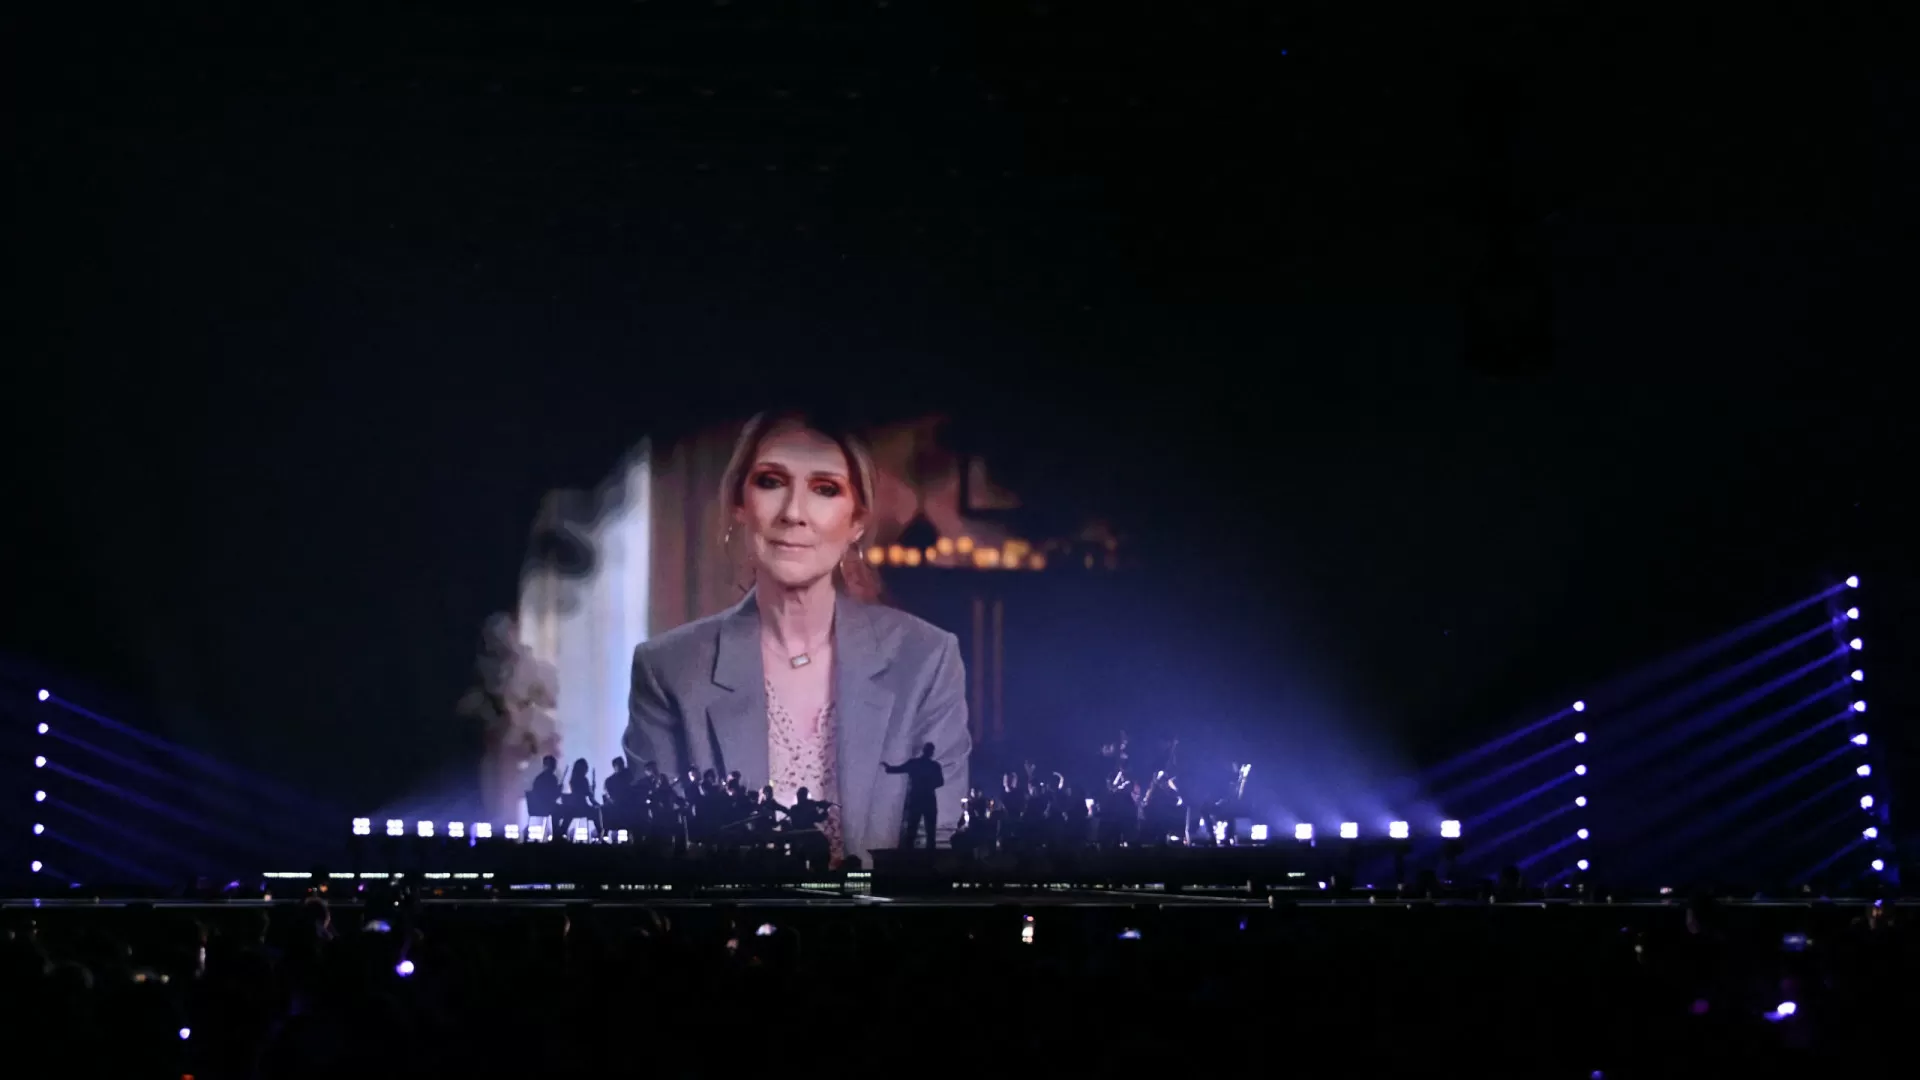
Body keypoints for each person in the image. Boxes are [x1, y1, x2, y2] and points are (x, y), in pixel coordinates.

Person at [624, 408, 971, 866]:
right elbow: (657, 856)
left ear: (857, 520)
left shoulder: (927, 659)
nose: (793, 513)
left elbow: (937, 849)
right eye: (771, 482)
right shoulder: (667, 670)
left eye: (825, 489)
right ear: (740, 504)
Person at [885, 742, 947, 850]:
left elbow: (899, 769)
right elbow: (940, 782)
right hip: (927, 799)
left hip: (918, 798)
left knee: (913, 827)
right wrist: (929, 785)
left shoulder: (916, 763)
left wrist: (889, 768)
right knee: (928, 829)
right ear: (931, 752)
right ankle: (928, 853)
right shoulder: (934, 766)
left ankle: (910, 853)